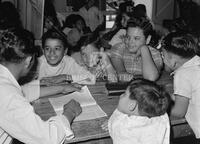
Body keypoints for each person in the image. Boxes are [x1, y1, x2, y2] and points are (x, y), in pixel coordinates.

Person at [0, 28, 82, 144]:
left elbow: (23, 92)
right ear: (29, 61)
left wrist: (61, 88)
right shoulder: (9, 97)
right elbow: (49, 138)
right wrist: (69, 112)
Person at [101, 78, 171, 144]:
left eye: (125, 94)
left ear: (132, 106)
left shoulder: (123, 127)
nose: (121, 95)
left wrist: (113, 120)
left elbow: (117, 122)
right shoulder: (160, 118)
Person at [160, 31, 200, 141]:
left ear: (173, 60)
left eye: (163, 55)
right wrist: (169, 96)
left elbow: (179, 111)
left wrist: (156, 106)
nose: (162, 59)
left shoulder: (183, 74)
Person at [110, 17, 163, 82]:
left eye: (136, 38)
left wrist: (144, 49)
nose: (130, 42)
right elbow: (121, 74)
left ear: (148, 39)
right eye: (128, 37)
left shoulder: (154, 54)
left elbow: (151, 78)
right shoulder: (119, 48)